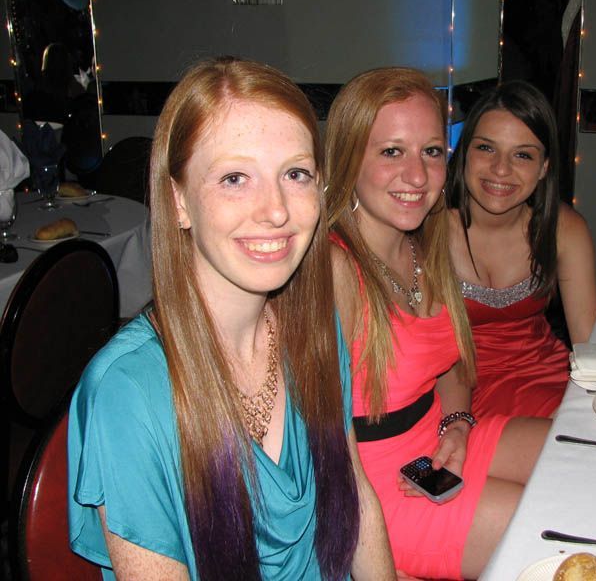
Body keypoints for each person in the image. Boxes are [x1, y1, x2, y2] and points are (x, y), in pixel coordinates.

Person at [67, 57, 394, 580]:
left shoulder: (313, 330)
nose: (276, 210)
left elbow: (354, 494)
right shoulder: (127, 393)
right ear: (178, 200)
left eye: (295, 173)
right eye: (235, 178)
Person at [325, 67, 550, 580]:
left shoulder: (424, 246)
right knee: (544, 526)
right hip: (375, 484)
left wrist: (458, 424)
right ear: (348, 158)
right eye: (391, 151)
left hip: (436, 442)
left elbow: (451, 364)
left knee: (572, 456)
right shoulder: (335, 270)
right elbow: (315, 443)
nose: (417, 176)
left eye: (430, 151)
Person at [446, 80, 596, 419]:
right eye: (486, 148)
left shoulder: (563, 229)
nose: (501, 169)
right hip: (453, 394)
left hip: (544, 379)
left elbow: (589, 346)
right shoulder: (426, 231)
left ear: (544, 167)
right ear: (464, 152)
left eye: (522, 155)